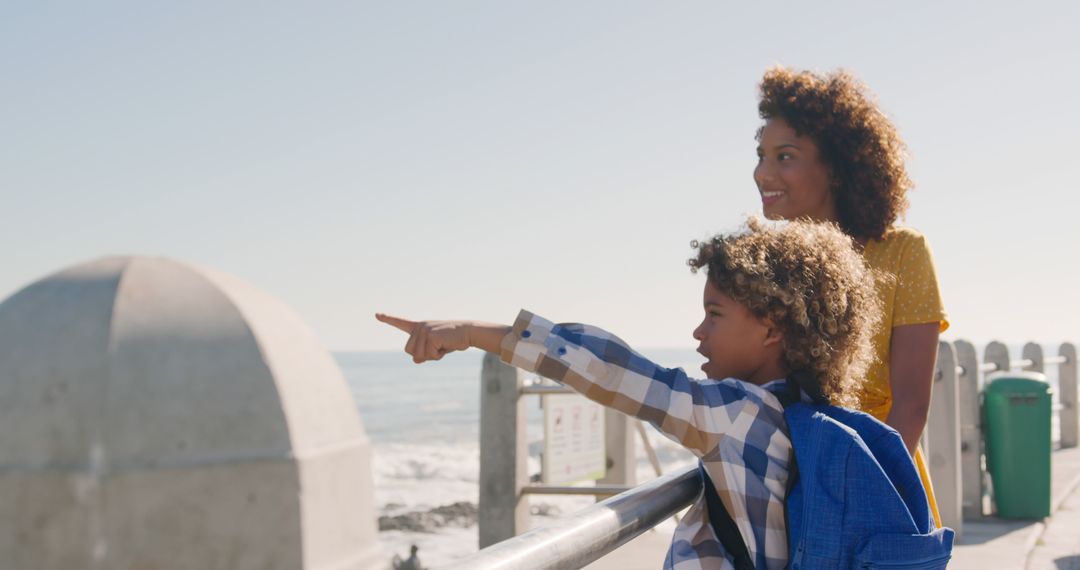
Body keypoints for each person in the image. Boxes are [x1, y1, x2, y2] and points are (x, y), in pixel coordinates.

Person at [376, 218, 880, 569]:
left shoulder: (740, 413)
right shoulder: (807, 413)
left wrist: (471, 332)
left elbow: (617, 375)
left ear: (773, 329)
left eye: (715, 314)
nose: (698, 332)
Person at [753, 66, 948, 525]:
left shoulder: (903, 252)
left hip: (880, 489)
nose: (763, 173)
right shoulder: (762, 264)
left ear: (837, 167)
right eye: (760, 155)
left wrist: (859, 502)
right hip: (786, 492)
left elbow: (912, 404)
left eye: (785, 156)